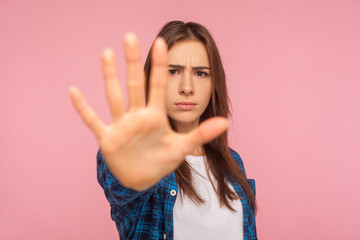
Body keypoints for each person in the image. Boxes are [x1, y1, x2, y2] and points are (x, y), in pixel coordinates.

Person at [69, 21, 257, 240]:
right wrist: (129, 163)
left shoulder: (233, 163)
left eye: (200, 73)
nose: (187, 87)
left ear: (214, 83)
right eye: (174, 71)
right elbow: (121, 183)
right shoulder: (146, 160)